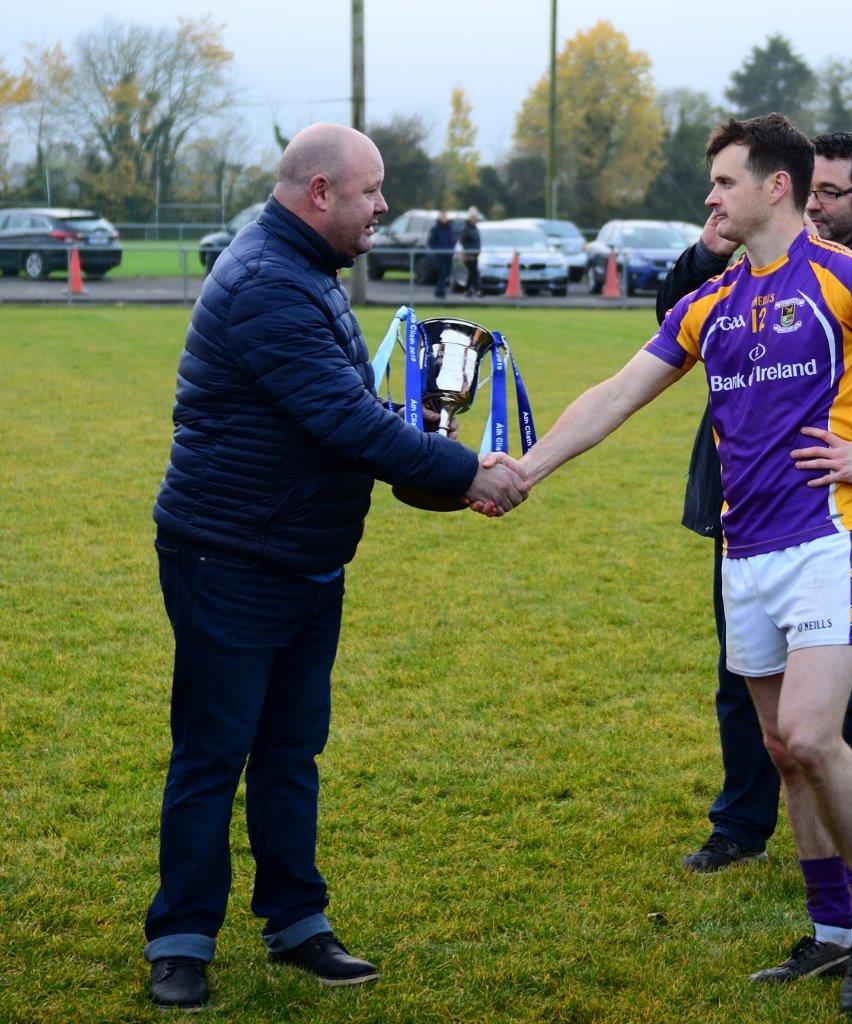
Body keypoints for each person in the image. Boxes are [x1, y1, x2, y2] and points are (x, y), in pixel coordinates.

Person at [516, 113, 852, 1014]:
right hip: (745, 549)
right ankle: (829, 931)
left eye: (723, 180)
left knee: (810, 734)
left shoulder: (845, 276)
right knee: (779, 748)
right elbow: (617, 392)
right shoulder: (712, 299)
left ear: (776, 186)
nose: (709, 196)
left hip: (832, 536)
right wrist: (526, 471)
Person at [144, 123, 530, 1011]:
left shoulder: (304, 272)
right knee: (213, 752)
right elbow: (344, 423)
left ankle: (296, 922)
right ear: (319, 192)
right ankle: (180, 939)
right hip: (229, 556)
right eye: (370, 191)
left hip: (303, 557)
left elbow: (352, 411)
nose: (384, 206)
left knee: (289, 752)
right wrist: (467, 472)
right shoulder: (268, 283)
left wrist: (431, 455)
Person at [660, 132, 852, 878]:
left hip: (835, 508)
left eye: (830, 193)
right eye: (810, 190)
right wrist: (724, 244)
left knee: (839, 708)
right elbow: (667, 326)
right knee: (754, 700)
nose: (816, 203)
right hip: (743, 513)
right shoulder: (729, 278)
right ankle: (743, 827)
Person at [427, 210, 456, 300]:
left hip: (448, 256)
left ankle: (438, 293)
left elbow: (452, 240)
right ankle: (440, 294)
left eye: (445, 216)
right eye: (442, 216)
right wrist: (437, 250)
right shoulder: (435, 229)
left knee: (445, 274)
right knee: (442, 274)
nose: (444, 218)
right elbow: (431, 242)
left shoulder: (449, 228)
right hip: (440, 256)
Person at [459, 209, 482, 298]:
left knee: (472, 273)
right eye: (473, 217)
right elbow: (463, 241)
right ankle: (477, 290)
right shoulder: (466, 228)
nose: (474, 219)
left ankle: (467, 290)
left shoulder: (475, 228)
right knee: (474, 272)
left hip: (475, 254)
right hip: (469, 255)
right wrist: (469, 251)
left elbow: (477, 241)